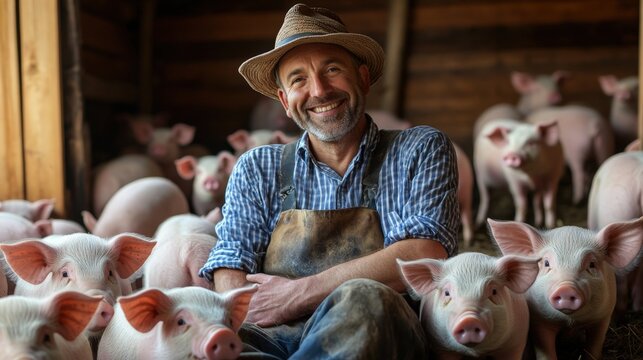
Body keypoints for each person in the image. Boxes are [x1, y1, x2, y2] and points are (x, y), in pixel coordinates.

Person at [199, 3, 459, 359]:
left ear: (363, 78)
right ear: (285, 102)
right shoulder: (257, 167)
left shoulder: (420, 149)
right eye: (298, 80)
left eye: (332, 69)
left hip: (376, 332)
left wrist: (297, 294)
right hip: (270, 337)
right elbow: (232, 260)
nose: (319, 91)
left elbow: (423, 252)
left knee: (365, 297)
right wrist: (238, 316)